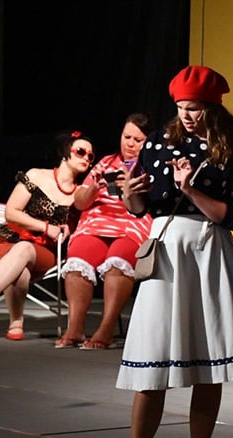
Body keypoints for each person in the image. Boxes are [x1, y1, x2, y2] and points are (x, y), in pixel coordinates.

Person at [113, 65, 233, 438]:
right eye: (181, 107)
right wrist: (130, 195)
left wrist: (191, 188)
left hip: (208, 250)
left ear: (212, 107)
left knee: (208, 362)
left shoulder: (232, 149)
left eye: (194, 108)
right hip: (167, 249)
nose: (187, 115)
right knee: (153, 355)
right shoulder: (157, 143)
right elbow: (141, 208)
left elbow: (230, 218)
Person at [0, 131, 91, 340]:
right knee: (21, 271)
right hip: (8, 241)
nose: (86, 158)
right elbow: (11, 212)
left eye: (90, 156)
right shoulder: (36, 176)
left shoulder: (80, 194)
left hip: (44, 252)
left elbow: (81, 224)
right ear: (66, 153)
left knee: (25, 248)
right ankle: (16, 323)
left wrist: (69, 229)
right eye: (81, 152)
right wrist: (45, 227)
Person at [54, 113, 153, 350]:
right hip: (96, 222)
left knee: (118, 262)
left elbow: (150, 205)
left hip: (132, 224)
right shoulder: (106, 162)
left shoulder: (152, 165)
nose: (130, 144)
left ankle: (106, 329)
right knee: (78, 259)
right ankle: (75, 328)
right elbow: (79, 202)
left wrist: (130, 188)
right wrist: (94, 187)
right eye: (127, 137)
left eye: (138, 140)